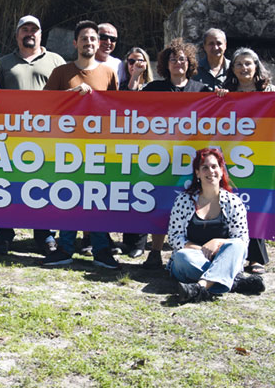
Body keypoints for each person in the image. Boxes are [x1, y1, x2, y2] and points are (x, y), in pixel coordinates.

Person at [43, 20, 119, 268]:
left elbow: (117, 110)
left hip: (98, 149)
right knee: (67, 197)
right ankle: (65, 247)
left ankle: (101, 249)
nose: (89, 42)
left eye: (93, 39)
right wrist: (70, 96)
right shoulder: (62, 73)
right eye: (84, 38)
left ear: (98, 44)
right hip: (66, 148)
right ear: (75, 43)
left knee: (96, 199)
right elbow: (43, 106)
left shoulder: (108, 73)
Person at [141, 38, 216, 267]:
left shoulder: (202, 90)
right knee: (161, 203)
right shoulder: (154, 89)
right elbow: (130, 105)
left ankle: (182, 251)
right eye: (173, 59)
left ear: (189, 62)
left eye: (182, 59)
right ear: (166, 63)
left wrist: (222, 95)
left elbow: (220, 112)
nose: (178, 63)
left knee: (188, 205)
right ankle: (154, 252)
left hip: (192, 157)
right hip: (161, 156)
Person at [0, 15, 66, 255]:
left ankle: (45, 235)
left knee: (43, 185)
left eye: (34, 30)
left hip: (46, 136)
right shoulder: (4, 63)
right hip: (12, 135)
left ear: (41, 34)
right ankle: (4, 234)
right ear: (17, 35)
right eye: (24, 29)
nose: (29, 33)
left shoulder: (56, 60)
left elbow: (66, 98)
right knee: (9, 184)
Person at [223, 47, 275, 275]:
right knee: (230, 206)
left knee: (256, 206)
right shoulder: (227, 91)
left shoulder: (270, 93)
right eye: (239, 64)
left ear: (256, 66)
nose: (244, 68)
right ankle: (229, 255)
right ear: (232, 69)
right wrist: (218, 98)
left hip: (259, 158)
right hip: (231, 157)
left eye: (248, 63)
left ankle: (256, 258)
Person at [167, 148, 265, 303]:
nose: (210, 171)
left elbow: (242, 241)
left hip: (223, 256)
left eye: (214, 166)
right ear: (197, 173)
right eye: (204, 167)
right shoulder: (183, 201)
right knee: (181, 257)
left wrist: (217, 243)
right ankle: (234, 282)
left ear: (221, 171)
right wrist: (204, 250)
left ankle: (200, 288)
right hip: (194, 259)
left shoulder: (233, 203)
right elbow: (174, 238)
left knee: (238, 245)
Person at [116, 47, 153, 258]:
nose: (135, 64)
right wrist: (134, 78)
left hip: (148, 148)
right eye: (131, 61)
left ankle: (140, 242)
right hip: (124, 148)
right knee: (127, 194)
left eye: (140, 61)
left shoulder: (154, 87)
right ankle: (127, 241)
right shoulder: (121, 86)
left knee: (143, 194)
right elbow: (127, 99)